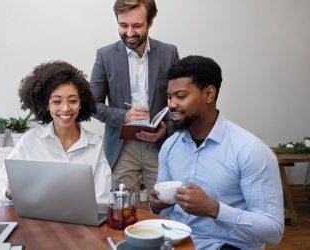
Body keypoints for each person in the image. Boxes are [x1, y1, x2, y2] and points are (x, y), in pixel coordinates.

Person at [149, 55, 284, 249]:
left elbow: (274, 231)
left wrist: (214, 209)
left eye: (181, 96)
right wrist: (157, 205)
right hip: (176, 244)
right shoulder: (170, 146)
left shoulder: (250, 150)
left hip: (227, 245)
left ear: (209, 94)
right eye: (169, 97)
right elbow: (163, 215)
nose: (171, 105)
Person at [0, 61, 112, 208]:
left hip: (82, 227)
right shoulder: (30, 141)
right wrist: (12, 191)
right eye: (57, 101)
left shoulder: (96, 145)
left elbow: (104, 202)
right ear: (46, 104)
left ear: (81, 103)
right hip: (37, 224)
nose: (65, 108)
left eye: (72, 100)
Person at [90, 0, 179, 203]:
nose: (129, 33)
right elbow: (92, 104)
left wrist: (166, 128)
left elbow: (179, 99)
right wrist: (124, 116)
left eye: (137, 26)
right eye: (123, 25)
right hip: (121, 146)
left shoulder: (169, 53)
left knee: (167, 207)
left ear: (150, 22)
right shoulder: (104, 55)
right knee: (123, 210)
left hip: (159, 145)